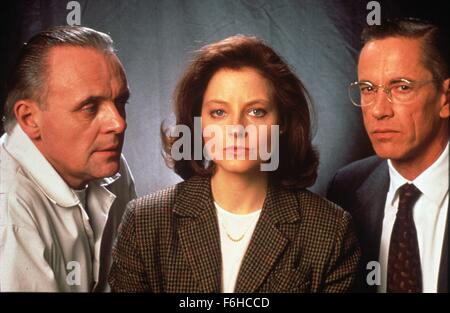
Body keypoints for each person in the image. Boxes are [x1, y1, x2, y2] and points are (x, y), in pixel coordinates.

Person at [109, 35, 360, 293]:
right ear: (199, 122)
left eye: (256, 112)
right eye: (219, 112)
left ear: (282, 123)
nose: (236, 129)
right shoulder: (144, 221)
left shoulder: (330, 229)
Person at [0, 26, 137, 291]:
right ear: (29, 119)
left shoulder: (109, 165)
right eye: (90, 107)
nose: (118, 124)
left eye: (120, 102)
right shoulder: (7, 211)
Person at [327, 18, 449, 293]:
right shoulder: (345, 189)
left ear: (446, 98)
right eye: (368, 89)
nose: (379, 110)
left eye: (401, 87)